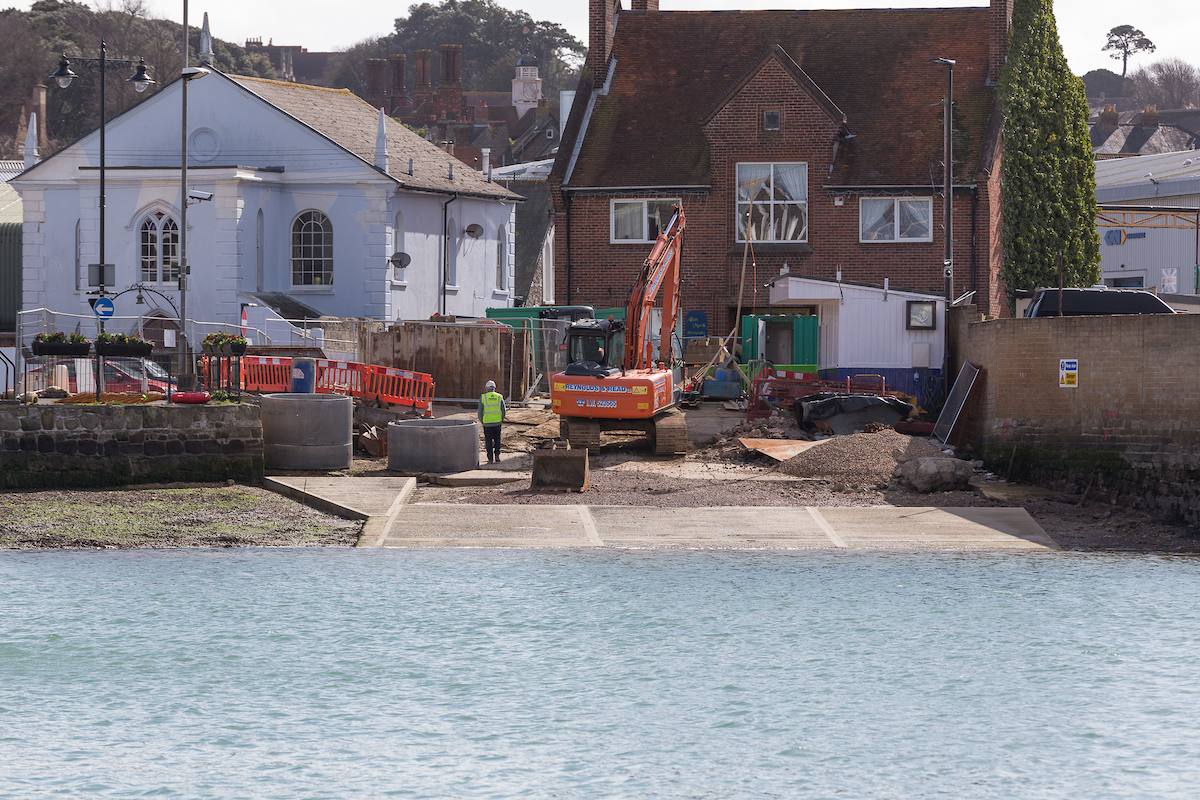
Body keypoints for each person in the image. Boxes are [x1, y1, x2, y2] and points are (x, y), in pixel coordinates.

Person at [478, 379, 506, 463]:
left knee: (488, 441)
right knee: (497, 439)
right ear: (494, 388)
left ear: (486, 388)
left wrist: (482, 420)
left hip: (487, 424)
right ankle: (497, 456)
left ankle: (490, 459)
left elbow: (480, 412)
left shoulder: (483, 397)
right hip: (497, 423)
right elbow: (503, 410)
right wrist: (501, 419)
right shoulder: (499, 397)